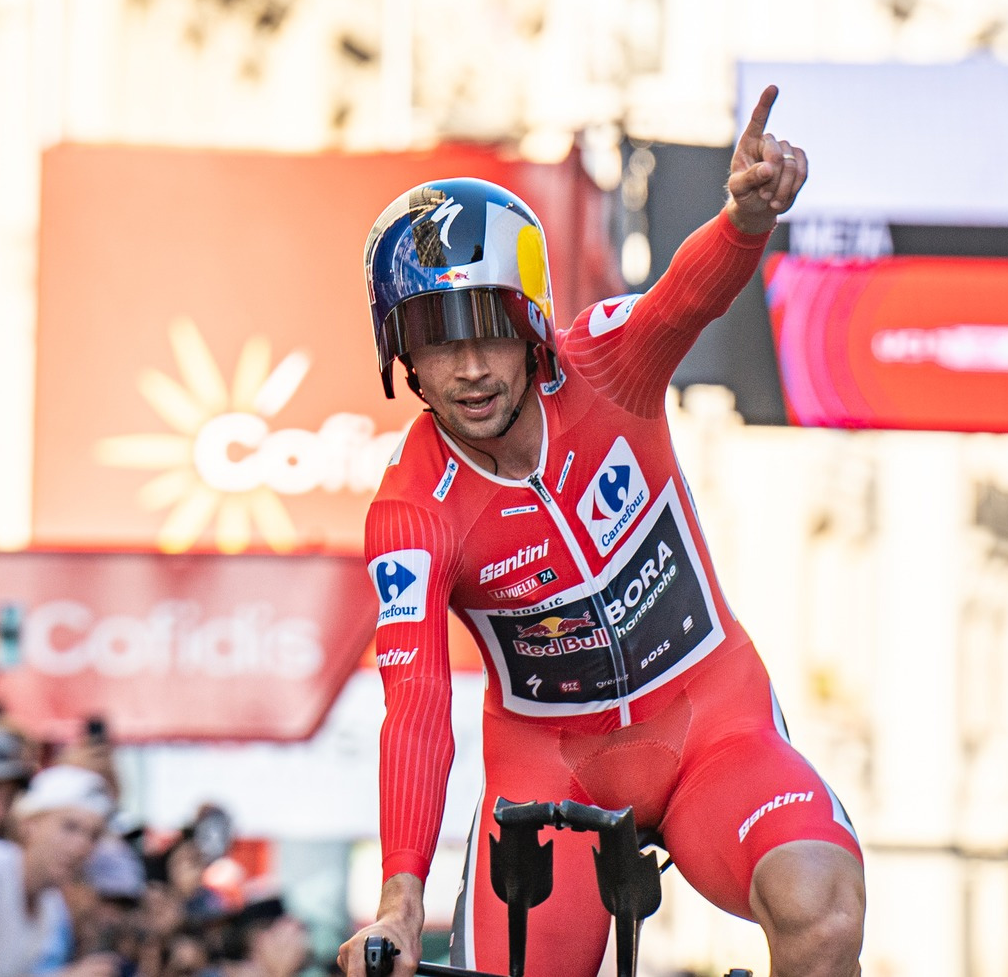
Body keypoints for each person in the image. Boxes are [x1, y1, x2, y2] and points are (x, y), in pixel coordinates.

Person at [338, 87, 864, 977]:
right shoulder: (412, 507)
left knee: (822, 910)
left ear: (532, 324)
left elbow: (683, 299)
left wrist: (745, 219)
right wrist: (400, 896)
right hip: (550, 773)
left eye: (491, 328)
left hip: (710, 725)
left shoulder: (608, 366)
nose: (470, 369)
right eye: (436, 340)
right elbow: (417, 706)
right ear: (404, 357)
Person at [0, 764, 119, 977]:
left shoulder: (51, 906)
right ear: (29, 824)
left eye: (94, 836)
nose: (82, 847)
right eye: (70, 827)